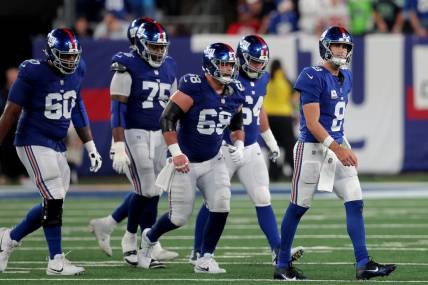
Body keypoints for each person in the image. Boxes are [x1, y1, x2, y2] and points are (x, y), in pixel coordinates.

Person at [273, 26, 397, 281]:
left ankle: (363, 264)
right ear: (325, 47)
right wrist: (338, 148)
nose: (341, 50)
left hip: (337, 145)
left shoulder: (347, 77)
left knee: (355, 201)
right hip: (311, 149)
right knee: (298, 207)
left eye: (345, 46)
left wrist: (340, 146)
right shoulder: (311, 75)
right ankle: (282, 264)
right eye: (337, 45)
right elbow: (312, 122)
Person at [188, 35, 304, 266]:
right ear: (240, 59)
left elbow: (259, 109)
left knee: (263, 196)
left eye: (262, 61)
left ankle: (277, 251)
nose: (258, 66)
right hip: (223, 146)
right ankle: (198, 251)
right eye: (253, 61)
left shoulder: (264, 78)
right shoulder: (227, 77)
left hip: (250, 146)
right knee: (214, 201)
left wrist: (270, 140)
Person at [0, 28, 102, 275]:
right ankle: (55, 261)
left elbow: (77, 106)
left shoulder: (79, 68)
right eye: (65, 56)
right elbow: (11, 111)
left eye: (73, 55)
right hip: (32, 138)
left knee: (54, 201)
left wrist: (90, 146)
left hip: (57, 142)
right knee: (54, 195)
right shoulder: (33, 71)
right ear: (51, 53)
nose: (70, 60)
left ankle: (8, 238)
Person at [137, 42, 245, 273]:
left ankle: (205, 257)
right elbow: (167, 119)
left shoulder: (236, 91)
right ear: (210, 66)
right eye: (223, 64)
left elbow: (236, 122)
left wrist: (239, 143)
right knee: (178, 218)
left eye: (230, 65)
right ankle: (149, 238)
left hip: (214, 160)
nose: (227, 69)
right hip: (186, 162)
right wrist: (176, 153)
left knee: (221, 205)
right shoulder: (193, 86)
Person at [89, 17, 178, 263]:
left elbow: (173, 108)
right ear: (138, 44)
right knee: (147, 188)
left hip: (159, 134)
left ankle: (128, 233)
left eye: (161, 46)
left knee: (154, 189)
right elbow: (118, 109)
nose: (159, 51)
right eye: (153, 46)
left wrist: (174, 143)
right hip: (134, 133)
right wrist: (117, 145)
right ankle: (132, 239)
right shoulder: (126, 65)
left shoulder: (170, 66)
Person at [264, 59, 297, 181]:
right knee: (289, 146)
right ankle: (294, 171)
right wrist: (295, 113)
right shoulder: (286, 81)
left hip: (269, 118)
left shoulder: (266, 80)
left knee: (272, 147)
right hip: (284, 117)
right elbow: (294, 99)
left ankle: (274, 174)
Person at [0, 67, 28, 184]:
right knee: (4, 150)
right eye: (11, 76)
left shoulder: (25, 90)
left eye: (15, 75)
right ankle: (4, 174)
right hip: (7, 125)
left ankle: (23, 174)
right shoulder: (3, 92)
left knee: (22, 150)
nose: (13, 78)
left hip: (20, 125)